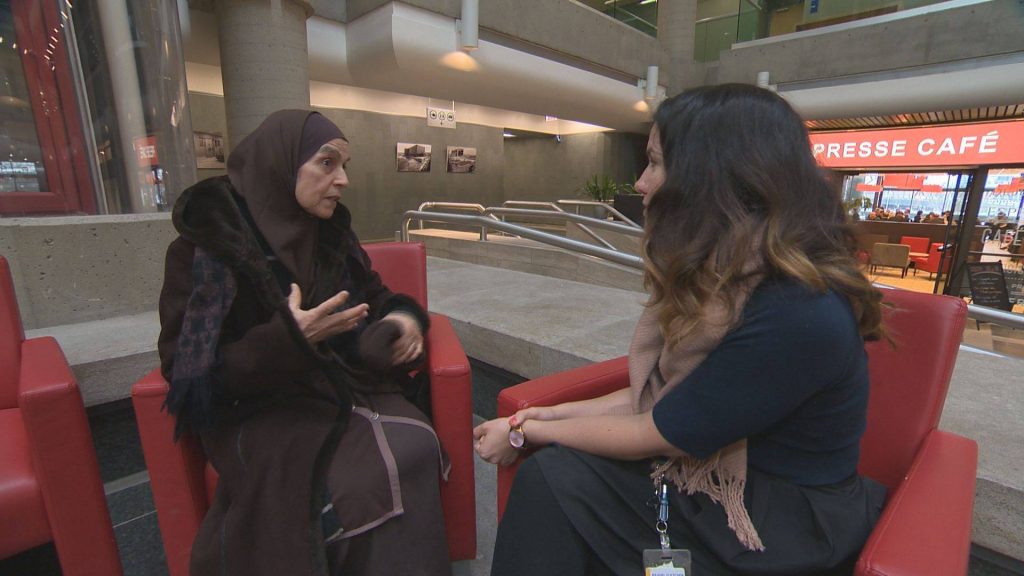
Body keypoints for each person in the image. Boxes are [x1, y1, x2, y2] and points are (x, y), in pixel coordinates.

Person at [474, 84, 888, 576]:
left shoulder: (798, 309)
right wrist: (541, 416)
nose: (641, 184)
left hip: (778, 518)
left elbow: (660, 428)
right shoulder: (727, 279)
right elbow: (655, 398)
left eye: (654, 163)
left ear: (712, 178)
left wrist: (528, 433)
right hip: (717, 474)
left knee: (555, 478)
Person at [158, 110, 451, 576]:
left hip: (336, 386)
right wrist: (288, 339)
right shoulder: (207, 249)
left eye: (344, 166)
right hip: (259, 409)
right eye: (327, 164)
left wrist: (404, 318)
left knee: (414, 444)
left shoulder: (330, 235)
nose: (343, 180)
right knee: (356, 480)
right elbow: (188, 375)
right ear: (281, 164)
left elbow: (375, 294)